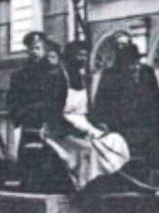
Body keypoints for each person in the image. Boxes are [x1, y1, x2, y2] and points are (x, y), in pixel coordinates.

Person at [51, 41, 130, 189]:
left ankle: (108, 181)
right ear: (69, 57)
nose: (83, 59)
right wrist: (73, 131)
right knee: (89, 149)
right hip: (60, 129)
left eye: (85, 55)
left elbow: (87, 110)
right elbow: (53, 113)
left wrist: (97, 123)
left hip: (83, 122)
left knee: (115, 141)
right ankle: (85, 186)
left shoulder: (82, 78)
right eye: (79, 55)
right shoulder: (58, 78)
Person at [91, 39, 159, 172]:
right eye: (130, 63)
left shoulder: (147, 73)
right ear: (122, 64)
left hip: (149, 128)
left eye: (136, 62)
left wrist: (156, 122)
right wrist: (106, 125)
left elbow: (157, 99)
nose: (135, 67)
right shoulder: (110, 76)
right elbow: (101, 104)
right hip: (123, 129)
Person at [6, 31, 68, 158]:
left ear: (44, 49)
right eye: (31, 48)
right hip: (29, 124)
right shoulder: (19, 75)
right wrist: (20, 115)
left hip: (51, 125)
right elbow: (12, 99)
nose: (34, 51)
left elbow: (61, 99)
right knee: (29, 161)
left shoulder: (56, 74)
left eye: (37, 48)